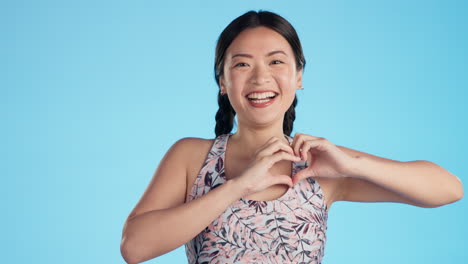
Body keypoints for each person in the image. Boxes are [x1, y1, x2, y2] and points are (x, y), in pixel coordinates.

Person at [120, 10, 464, 264]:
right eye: (241, 65)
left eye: (276, 62)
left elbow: (449, 189)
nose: (260, 77)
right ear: (223, 82)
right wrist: (238, 186)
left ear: (298, 76)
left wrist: (354, 163)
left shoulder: (318, 164)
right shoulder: (192, 157)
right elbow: (134, 248)